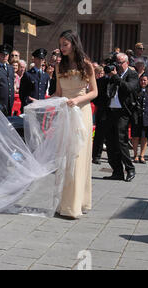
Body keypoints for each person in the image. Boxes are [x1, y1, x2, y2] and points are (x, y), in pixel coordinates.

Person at [54, 30, 98, 219]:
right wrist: (41, 102)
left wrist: (78, 100)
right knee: (65, 156)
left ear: (73, 44)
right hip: (66, 112)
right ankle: (64, 203)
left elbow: (94, 92)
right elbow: (58, 92)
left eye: (65, 44)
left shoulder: (86, 65)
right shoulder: (59, 66)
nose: (62, 48)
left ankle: (76, 204)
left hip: (82, 111)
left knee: (78, 155)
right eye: (61, 44)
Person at [102, 52, 138, 182]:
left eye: (120, 62)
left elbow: (129, 88)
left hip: (123, 112)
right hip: (111, 111)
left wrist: (116, 76)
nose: (118, 65)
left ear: (127, 63)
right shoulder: (112, 75)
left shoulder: (132, 74)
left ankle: (130, 168)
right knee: (110, 143)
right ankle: (117, 171)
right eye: (116, 62)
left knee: (121, 140)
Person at [131, 74, 148, 163]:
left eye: (145, 80)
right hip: (137, 117)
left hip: (146, 117)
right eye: (141, 80)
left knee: (144, 137)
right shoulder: (135, 92)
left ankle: (142, 155)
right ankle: (135, 155)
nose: (143, 82)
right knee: (135, 137)